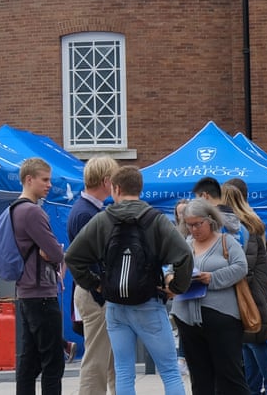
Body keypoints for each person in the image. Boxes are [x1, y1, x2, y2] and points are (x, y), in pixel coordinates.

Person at [66, 166, 192, 395]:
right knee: (170, 371)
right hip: (149, 303)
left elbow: (73, 257)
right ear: (140, 188)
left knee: (124, 371)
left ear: (115, 188)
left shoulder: (103, 220)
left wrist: (95, 283)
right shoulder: (156, 220)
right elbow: (184, 255)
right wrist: (175, 288)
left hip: (115, 305)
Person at [172, 198, 249, 395]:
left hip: (222, 319)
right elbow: (169, 268)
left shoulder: (227, 241)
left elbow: (241, 267)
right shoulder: (184, 245)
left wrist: (212, 278)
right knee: (199, 377)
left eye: (199, 223)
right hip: (187, 319)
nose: (194, 229)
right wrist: (172, 278)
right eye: (189, 225)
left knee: (230, 375)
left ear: (210, 220)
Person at [220, 185, 267, 395]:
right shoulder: (250, 223)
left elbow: (247, 264)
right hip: (252, 291)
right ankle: (253, 389)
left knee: (256, 342)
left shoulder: (245, 227)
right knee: (248, 343)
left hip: (252, 293)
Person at [12, 157, 66, 395]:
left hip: (25, 291)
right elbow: (54, 252)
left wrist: (51, 251)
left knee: (29, 359)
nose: (49, 185)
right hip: (41, 292)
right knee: (53, 361)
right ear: (29, 179)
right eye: (44, 180)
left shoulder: (14, 209)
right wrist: (56, 251)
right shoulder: (32, 212)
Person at [66, 155, 119, 395]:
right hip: (94, 294)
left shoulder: (85, 210)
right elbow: (84, 259)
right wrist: (100, 287)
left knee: (109, 359)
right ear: (106, 181)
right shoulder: (86, 213)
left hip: (92, 292)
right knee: (97, 360)